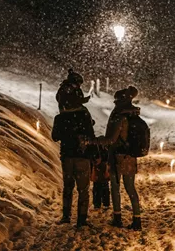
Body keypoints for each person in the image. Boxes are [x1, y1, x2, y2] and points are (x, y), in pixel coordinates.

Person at [85, 86, 143, 231]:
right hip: (130, 156)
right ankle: (137, 220)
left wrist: (94, 141)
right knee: (130, 188)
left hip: (117, 156)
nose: (115, 103)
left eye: (116, 101)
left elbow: (111, 139)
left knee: (115, 188)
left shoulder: (119, 116)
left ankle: (117, 218)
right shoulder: (133, 115)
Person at [52, 69, 95, 228]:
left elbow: (55, 136)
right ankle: (82, 219)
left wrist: (66, 131)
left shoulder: (60, 116)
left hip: (67, 155)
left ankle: (66, 216)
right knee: (83, 190)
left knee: (68, 187)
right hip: (82, 155)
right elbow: (90, 136)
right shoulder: (84, 115)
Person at [91, 145, 110, 210]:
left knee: (101, 183)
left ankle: (100, 203)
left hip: (101, 161)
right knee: (99, 183)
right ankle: (101, 203)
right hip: (99, 161)